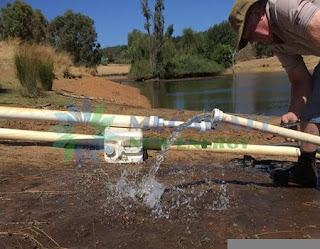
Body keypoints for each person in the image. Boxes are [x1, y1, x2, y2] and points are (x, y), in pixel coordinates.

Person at [229, 0, 320, 187]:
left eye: (248, 34)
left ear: (257, 13)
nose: (252, 41)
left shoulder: (282, 7)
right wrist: (294, 112)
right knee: (309, 115)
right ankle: (306, 168)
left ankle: (305, 169)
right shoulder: (278, 45)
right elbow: (300, 80)